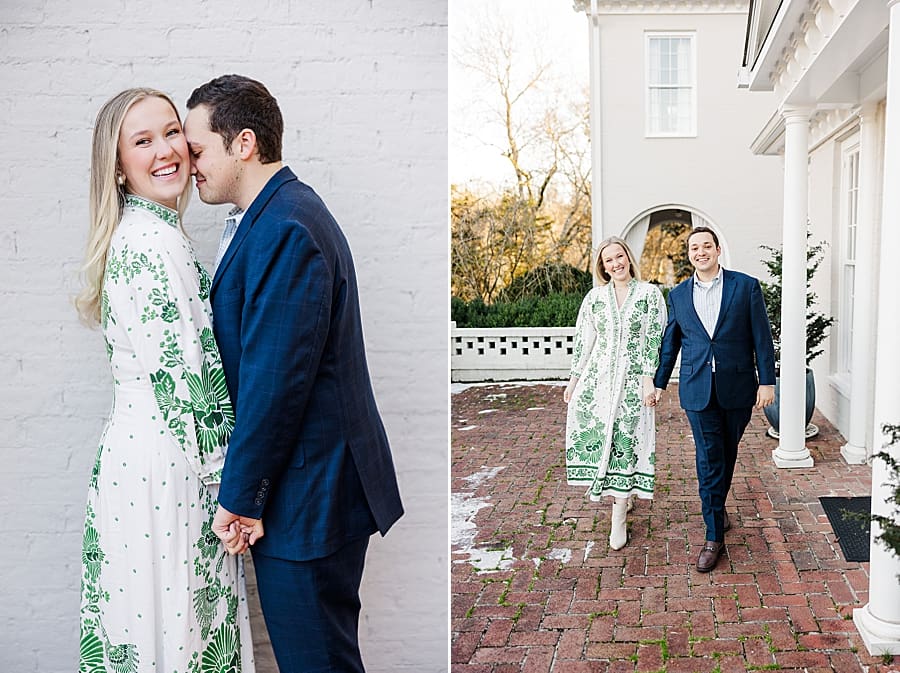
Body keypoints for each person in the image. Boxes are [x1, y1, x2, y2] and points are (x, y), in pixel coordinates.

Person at [183, 74, 404, 673]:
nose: (189, 164)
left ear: (244, 143)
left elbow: (275, 382)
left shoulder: (285, 227)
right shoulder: (279, 214)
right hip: (309, 487)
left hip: (309, 497)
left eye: (198, 149)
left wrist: (242, 498)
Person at [74, 88, 254, 672]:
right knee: (184, 635)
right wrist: (234, 495)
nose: (166, 150)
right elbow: (187, 391)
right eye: (143, 141)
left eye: (172, 133)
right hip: (168, 469)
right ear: (120, 168)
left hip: (142, 463)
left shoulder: (149, 235)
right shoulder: (152, 246)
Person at [653, 226, 775, 572]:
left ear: (718, 250)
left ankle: (717, 509)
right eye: (694, 247)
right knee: (709, 458)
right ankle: (713, 535)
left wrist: (768, 382)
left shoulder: (745, 286)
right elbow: (670, 344)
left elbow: (762, 338)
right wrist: (660, 383)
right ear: (689, 254)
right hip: (696, 389)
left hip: (738, 388)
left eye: (707, 246)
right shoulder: (677, 295)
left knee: (728, 451)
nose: (701, 252)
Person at [564, 236, 667, 551]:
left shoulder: (650, 294)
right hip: (600, 381)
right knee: (603, 439)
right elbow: (585, 341)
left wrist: (650, 378)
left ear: (628, 257)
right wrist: (573, 380)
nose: (616, 263)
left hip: (635, 381)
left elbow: (654, 338)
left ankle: (619, 513)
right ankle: (621, 498)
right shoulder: (595, 298)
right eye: (609, 260)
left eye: (619, 256)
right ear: (602, 266)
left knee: (627, 440)